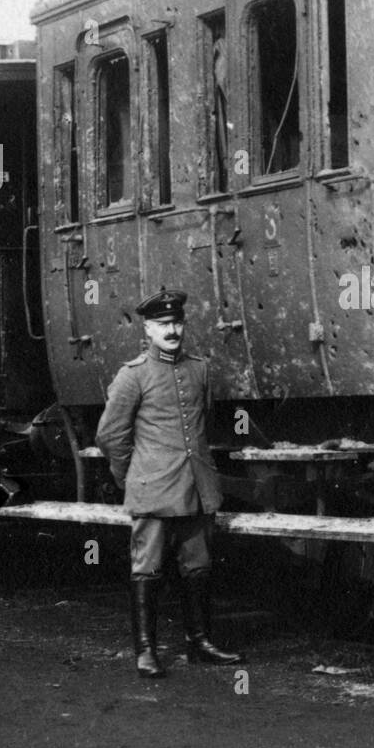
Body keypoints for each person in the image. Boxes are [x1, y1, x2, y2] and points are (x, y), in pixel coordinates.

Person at [95, 287, 242, 678]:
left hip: (196, 488)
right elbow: (110, 437)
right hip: (153, 489)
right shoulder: (133, 376)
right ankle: (146, 650)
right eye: (163, 324)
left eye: (177, 322)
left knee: (199, 565)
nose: (172, 330)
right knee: (148, 569)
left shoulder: (200, 369)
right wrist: (135, 478)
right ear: (147, 329)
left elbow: (202, 425)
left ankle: (200, 643)